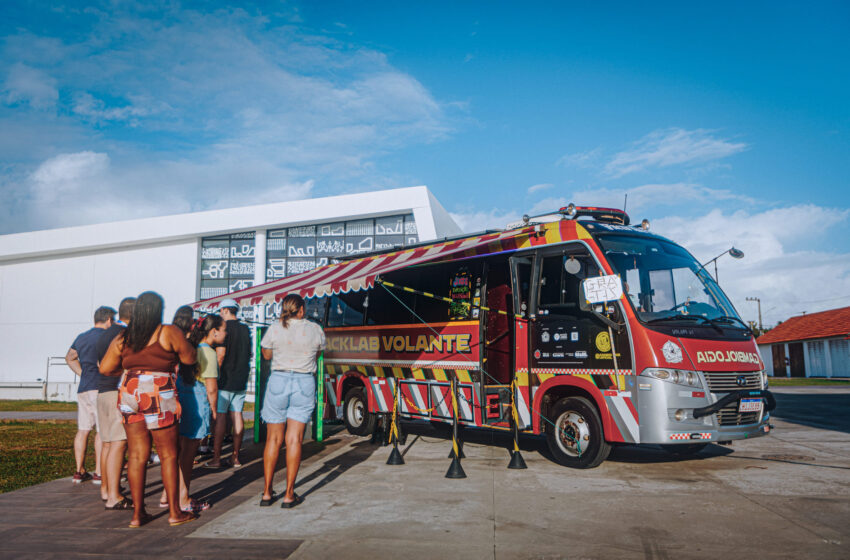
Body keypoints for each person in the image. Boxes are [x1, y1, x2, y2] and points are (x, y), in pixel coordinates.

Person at [99, 291, 196, 528]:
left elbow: (105, 368)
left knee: (136, 455)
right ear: (158, 310)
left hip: (129, 389)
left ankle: (138, 514)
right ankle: (174, 512)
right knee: (168, 454)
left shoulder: (124, 337)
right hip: (158, 390)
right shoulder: (167, 332)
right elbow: (189, 358)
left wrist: (131, 372)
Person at [259, 294, 325, 508]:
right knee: (294, 439)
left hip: (279, 379)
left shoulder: (275, 327)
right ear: (302, 310)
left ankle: (267, 492)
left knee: (273, 439)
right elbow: (317, 355)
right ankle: (289, 494)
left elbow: (266, 355)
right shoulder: (315, 329)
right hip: (304, 381)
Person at [160, 312, 222, 513]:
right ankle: (183, 498)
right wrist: (214, 411)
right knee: (188, 454)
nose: (226, 334)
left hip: (181, 398)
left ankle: (167, 494)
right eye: (224, 330)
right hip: (197, 401)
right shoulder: (209, 353)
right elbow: (211, 387)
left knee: (178, 451)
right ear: (214, 332)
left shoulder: (191, 347)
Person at [65, 305, 115, 484]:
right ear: (108, 319)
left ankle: (79, 470)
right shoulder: (108, 336)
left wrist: (83, 373)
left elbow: (69, 357)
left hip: (84, 387)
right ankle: (99, 472)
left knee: (83, 430)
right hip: (100, 387)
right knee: (101, 431)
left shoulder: (82, 337)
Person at [95, 297, 136, 509]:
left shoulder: (105, 333)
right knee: (119, 443)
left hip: (102, 391)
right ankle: (114, 496)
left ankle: (106, 489)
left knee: (107, 443)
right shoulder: (124, 335)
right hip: (116, 391)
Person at [209, 298, 251, 468]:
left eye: (220, 311)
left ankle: (216, 458)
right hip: (241, 378)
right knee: (237, 415)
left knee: (220, 416)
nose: (220, 314)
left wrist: (214, 376)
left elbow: (220, 355)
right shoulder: (245, 329)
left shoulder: (223, 328)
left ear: (226, 310)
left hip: (225, 379)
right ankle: (235, 457)